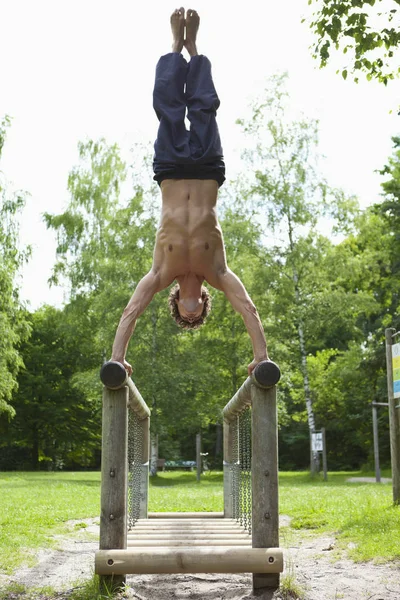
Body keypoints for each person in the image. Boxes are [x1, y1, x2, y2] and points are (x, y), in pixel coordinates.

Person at [111, 8, 269, 376]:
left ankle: (174, 47)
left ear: (177, 301)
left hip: (169, 170)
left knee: (167, 109)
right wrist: (261, 356)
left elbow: (131, 310)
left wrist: (118, 358)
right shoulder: (217, 271)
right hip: (208, 170)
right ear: (204, 299)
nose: (192, 306)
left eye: (186, 310)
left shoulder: (161, 272)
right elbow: (248, 306)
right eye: (197, 309)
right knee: (204, 111)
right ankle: (194, 49)